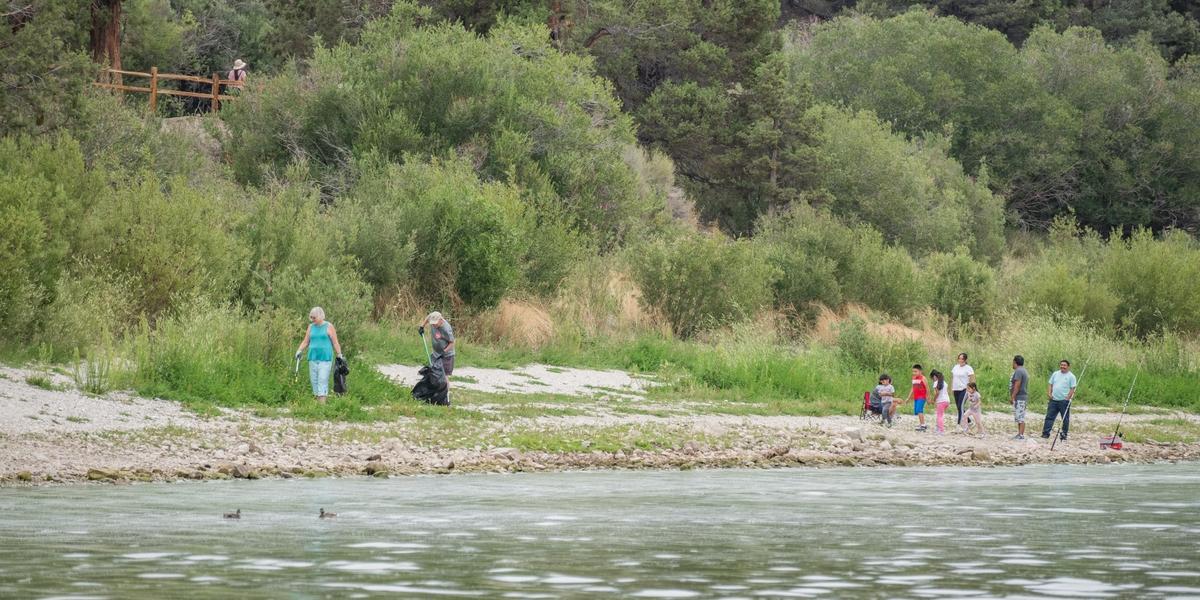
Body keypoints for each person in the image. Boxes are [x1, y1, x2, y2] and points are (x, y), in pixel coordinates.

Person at [295, 306, 343, 405]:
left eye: (314, 317)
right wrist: (299, 350)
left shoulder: (329, 326)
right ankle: (318, 406)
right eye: (311, 317)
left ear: (321, 316)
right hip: (313, 357)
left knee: (322, 380)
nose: (312, 319)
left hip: (325, 358)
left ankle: (322, 406)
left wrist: (339, 354)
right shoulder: (311, 327)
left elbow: (335, 342)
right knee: (314, 381)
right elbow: (306, 341)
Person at [422, 311, 455, 401]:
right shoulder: (432, 319)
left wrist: (443, 351)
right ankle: (434, 391)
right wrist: (422, 326)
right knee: (433, 371)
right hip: (436, 353)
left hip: (447, 355)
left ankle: (446, 395)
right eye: (432, 323)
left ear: (440, 320)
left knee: (444, 376)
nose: (434, 325)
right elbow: (428, 317)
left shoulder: (446, 329)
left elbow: (452, 343)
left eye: (435, 324)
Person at [1042, 359, 1078, 441]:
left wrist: (1068, 398)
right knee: (1049, 417)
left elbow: (1073, 388)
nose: (1063, 366)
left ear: (1068, 366)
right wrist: (1049, 393)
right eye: (1061, 365)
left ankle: (1064, 434)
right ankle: (1045, 433)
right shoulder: (1055, 374)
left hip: (1064, 401)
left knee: (1065, 418)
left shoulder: (1071, 376)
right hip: (1053, 400)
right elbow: (1050, 384)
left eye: (1064, 365)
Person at [951, 353, 976, 430]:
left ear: (965, 360)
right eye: (959, 358)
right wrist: (951, 388)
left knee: (960, 406)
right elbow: (953, 378)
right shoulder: (955, 367)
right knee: (959, 407)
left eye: (962, 359)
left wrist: (972, 390)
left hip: (964, 389)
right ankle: (969, 422)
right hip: (956, 389)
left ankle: (959, 425)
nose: (960, 360)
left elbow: (972, 379)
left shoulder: (968, 368)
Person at [1009, 355, 1030, 440]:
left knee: (1020, 416)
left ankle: (1021, 435)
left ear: (1015, 362)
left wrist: (1012, 396)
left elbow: (1017, 384)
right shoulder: (1023, 370)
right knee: (1019, 415)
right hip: (1021, 396)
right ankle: (1019, 434)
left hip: (1020, 397)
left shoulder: (1018, 371)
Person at [905, 364, 929, 432]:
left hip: (922, 397)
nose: (914, 373)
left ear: (920, 371)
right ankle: (922, 423)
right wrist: (908, 398)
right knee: (917, 411)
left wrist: (928, 397)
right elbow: (912, 388)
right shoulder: (913, 378)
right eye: (913, 371)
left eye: (916, 371)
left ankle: (923, 425)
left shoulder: (923, 378)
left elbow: (927, 388)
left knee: (919, 410)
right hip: (916, 397)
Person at [930, 369, 950, 434]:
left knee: (939, 416)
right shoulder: (944, 382)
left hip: (941, 401)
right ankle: (938, 428)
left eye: (932, 378)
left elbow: (937, 393)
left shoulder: (936, 383)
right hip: (947, 401)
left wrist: (933, 400)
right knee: (940, 415)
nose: (932, 380)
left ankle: (941, 430)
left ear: (934, 377)